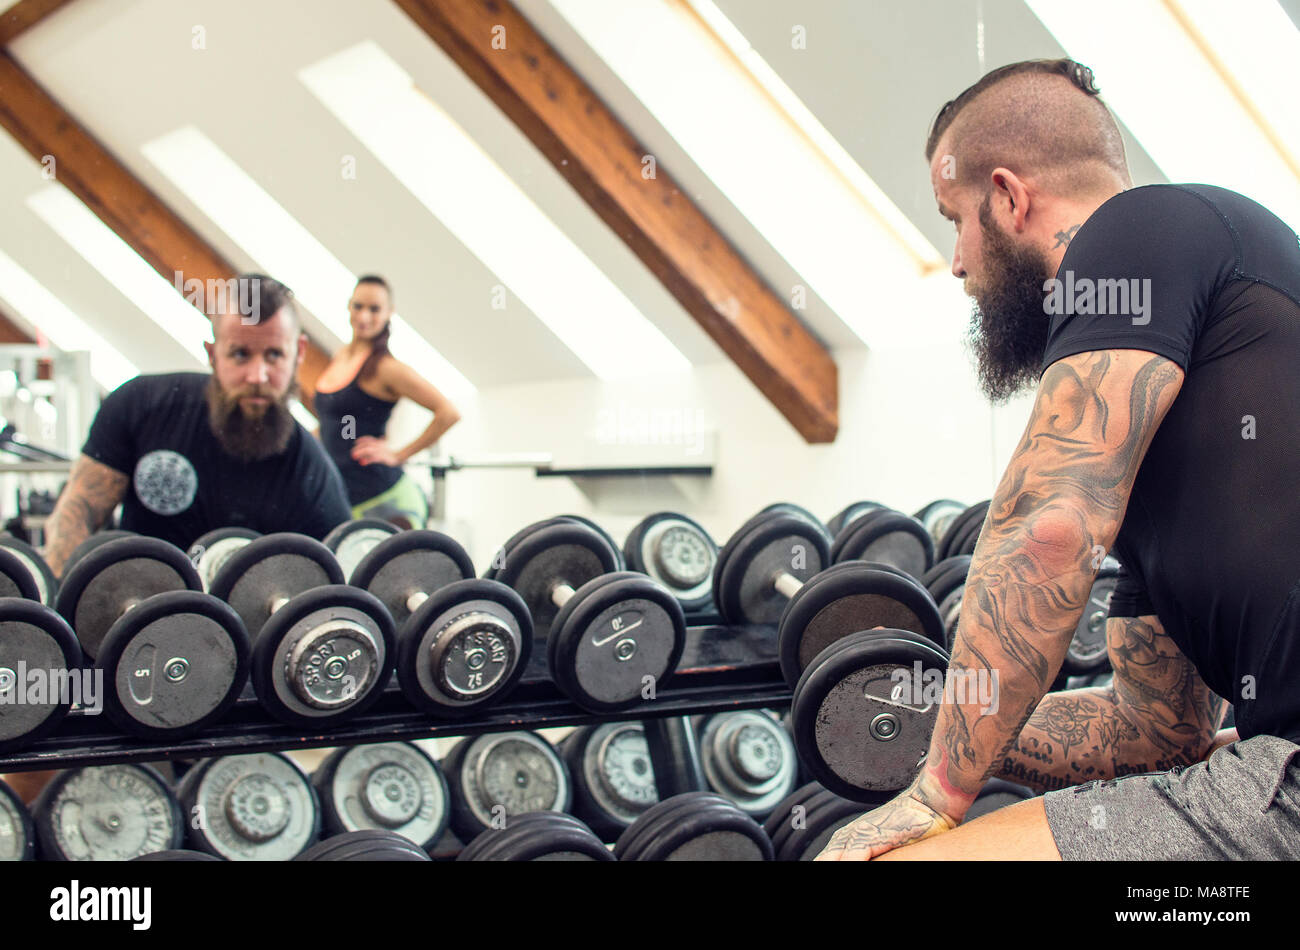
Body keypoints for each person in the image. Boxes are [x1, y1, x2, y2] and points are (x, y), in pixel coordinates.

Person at [819, 59, 1300, 860]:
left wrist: (939, 789)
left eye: (956, 220)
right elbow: (1158, 731)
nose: (958, 262)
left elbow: (1049, 529)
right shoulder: (1183, 413)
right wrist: (919, 720)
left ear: (1008, 197)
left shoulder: (1134, 230)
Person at [41, 274, 351, 577]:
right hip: (136, 617)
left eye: (274, 355)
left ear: (300, 353)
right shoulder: (140, 406)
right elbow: (76, 512)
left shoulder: (312, 474)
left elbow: (335, 580)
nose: (258, 376)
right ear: (213, 354)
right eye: (240, 354)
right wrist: (63, 603)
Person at [312, 275, 461, 527]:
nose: (364, 316)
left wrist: (398, 455)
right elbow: (330, 421)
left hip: (385, 499)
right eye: (358, 306)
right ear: (349, 306)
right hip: (344, 497)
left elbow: (448, 413)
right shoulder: (340, 356)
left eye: (374, 309)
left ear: (389, 313)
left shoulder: (387, 368)